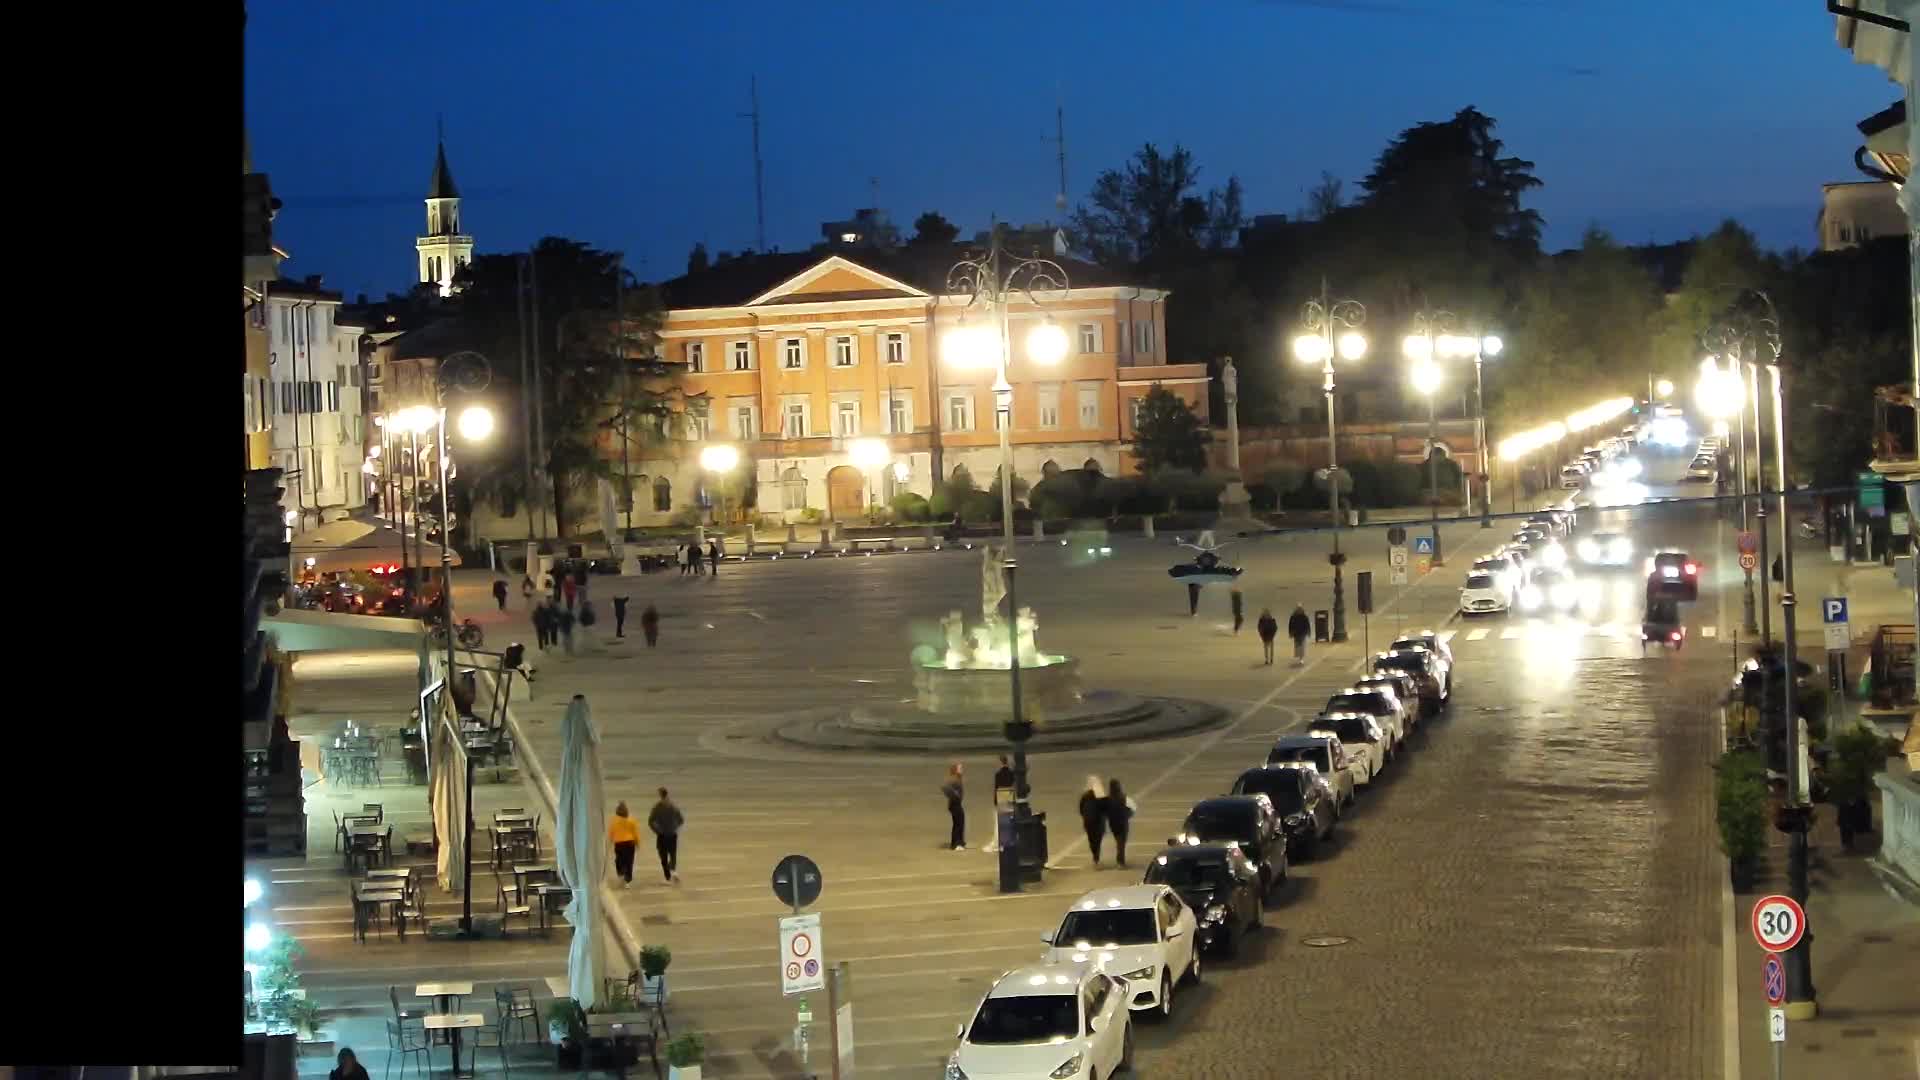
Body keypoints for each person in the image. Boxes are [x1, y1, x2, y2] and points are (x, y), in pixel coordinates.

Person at [648, 786, 685, 883]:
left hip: (662, 835)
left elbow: (650, 821)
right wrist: (674, 828)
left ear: (660, 795)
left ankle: (668, 876)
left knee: (663, 856)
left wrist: (657, 830)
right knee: (672, 854)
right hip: (672, 834)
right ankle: (673, 871)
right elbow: (681, 820)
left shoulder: (657, 807)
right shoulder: (673, 806)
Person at [986, 755, 1015, 853]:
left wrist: (995, 801)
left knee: (998, 822)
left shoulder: (998, 774)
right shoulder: (1012, 773)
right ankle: (1008, 840)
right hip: (1010, 797)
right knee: (1009, 820)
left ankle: (998, 842)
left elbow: (996, 788)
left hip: (1001, 797)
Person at [609, 801, 641, 887]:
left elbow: (611, 831)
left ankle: (621, 874)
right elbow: (635, 833)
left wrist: (611, 840)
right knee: (629, 862)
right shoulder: (631, 820)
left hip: (619, 844)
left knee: (619, 860)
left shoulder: (614, 820)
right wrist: (638, 843)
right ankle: (628, 880)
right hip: (630, 843)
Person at [1079, 775, 1109, 867]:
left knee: (1092, 840)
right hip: (1098, 822)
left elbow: (1081, 808)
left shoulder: (1085, 796)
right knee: (1097, 841)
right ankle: (1096, 857)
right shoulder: (1101, 796)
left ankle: (1095, 857)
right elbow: (1105, 809)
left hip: (1089, 822)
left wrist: (1085, 816)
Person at [1105, 778, 1135, 867]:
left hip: (1113, 823)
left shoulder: (1107, 799)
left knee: (1119, 841)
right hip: (1122, 822)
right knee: (1121, 843)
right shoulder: (1123, 797)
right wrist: (1127, 816)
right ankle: (1120, 862)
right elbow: (1132, 808)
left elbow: (1104, 811)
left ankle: (1120, 861)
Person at [941, 763, 966, 851]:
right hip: (954, 804)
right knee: (958, 823)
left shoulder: (958, 778)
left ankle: (959, 842)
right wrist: (954, 794)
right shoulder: (954, 779)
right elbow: (944, 787)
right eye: (960, 768)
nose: (962, 769)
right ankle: (956, 844)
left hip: (956, 804)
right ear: (955, 770)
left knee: (960, 822)